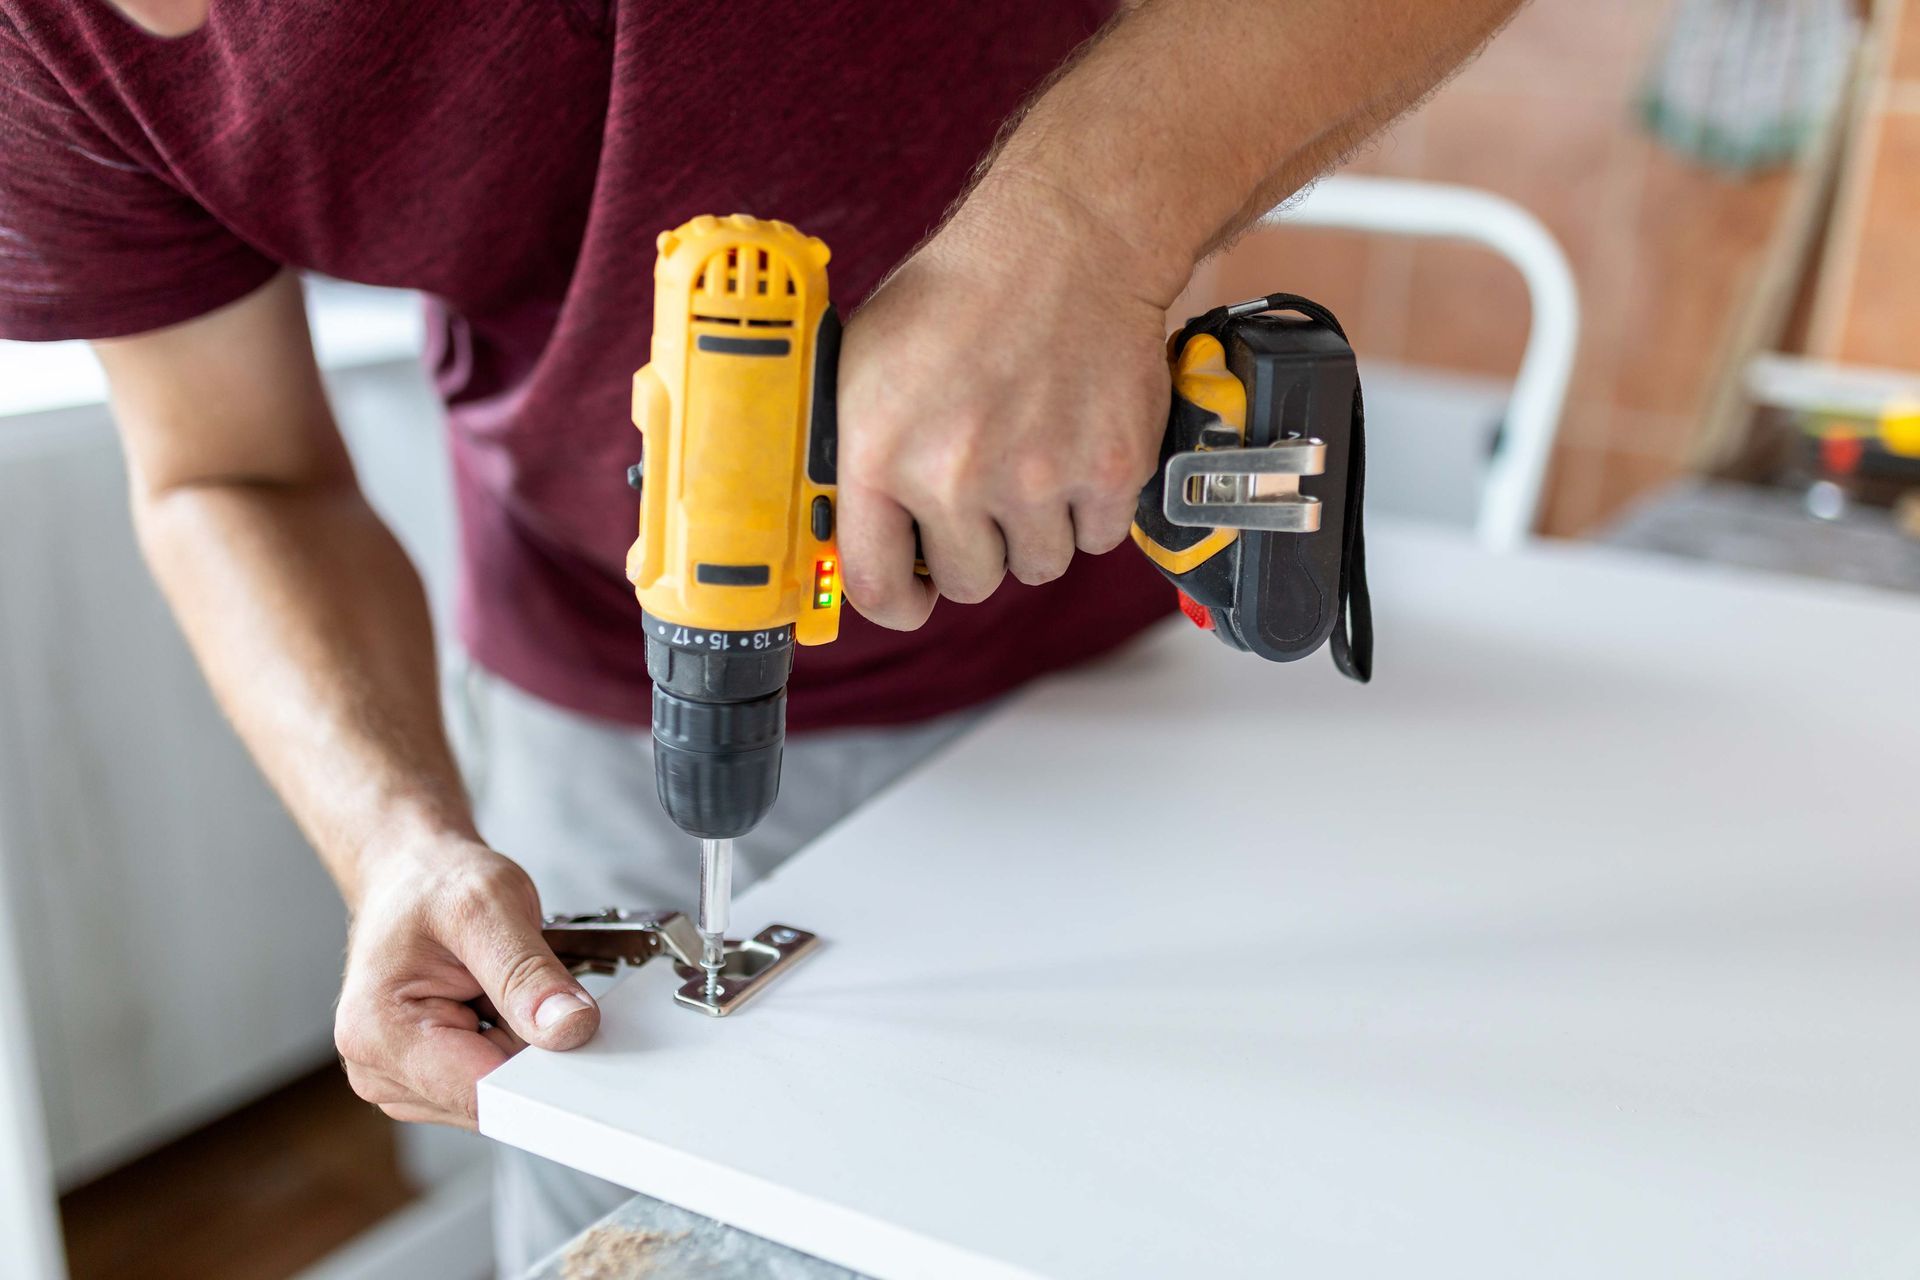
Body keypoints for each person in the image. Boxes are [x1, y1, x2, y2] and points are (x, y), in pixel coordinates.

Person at [0, 0, 1524, 1267]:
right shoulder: (38, 51)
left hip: (1087, 695)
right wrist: (393, 837)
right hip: (581, 694)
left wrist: (1072, 237)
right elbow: (228, 471)